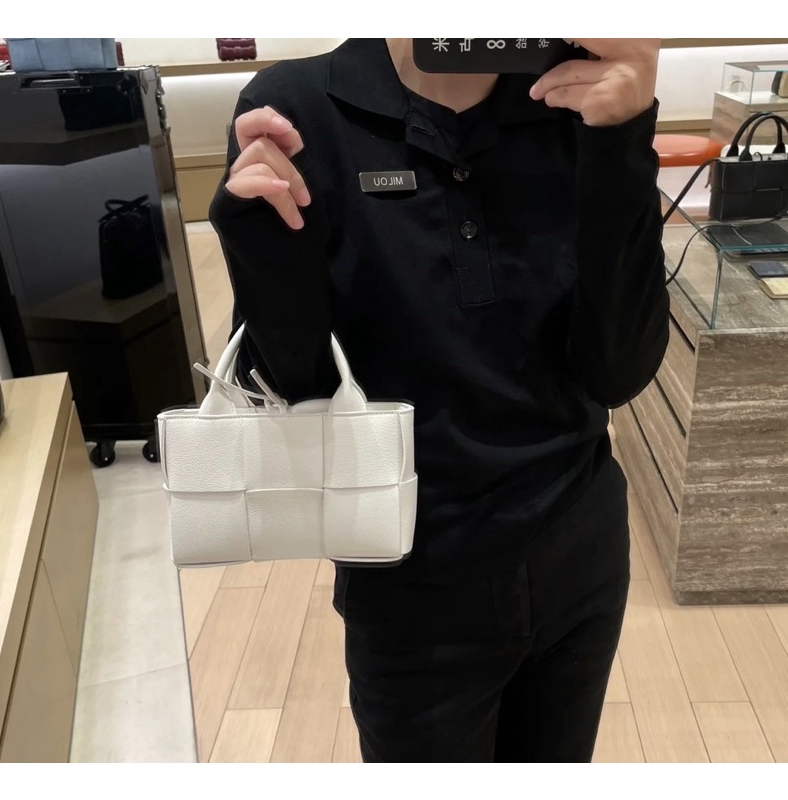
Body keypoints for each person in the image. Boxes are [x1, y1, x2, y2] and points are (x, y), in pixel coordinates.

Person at [209, 37, 668, 763]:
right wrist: (258, 240)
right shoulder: (300, 108)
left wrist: (622, 140)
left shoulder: (574, 95)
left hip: (579, 550)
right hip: (410, 581)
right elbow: (297, 391)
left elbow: (618, 372)